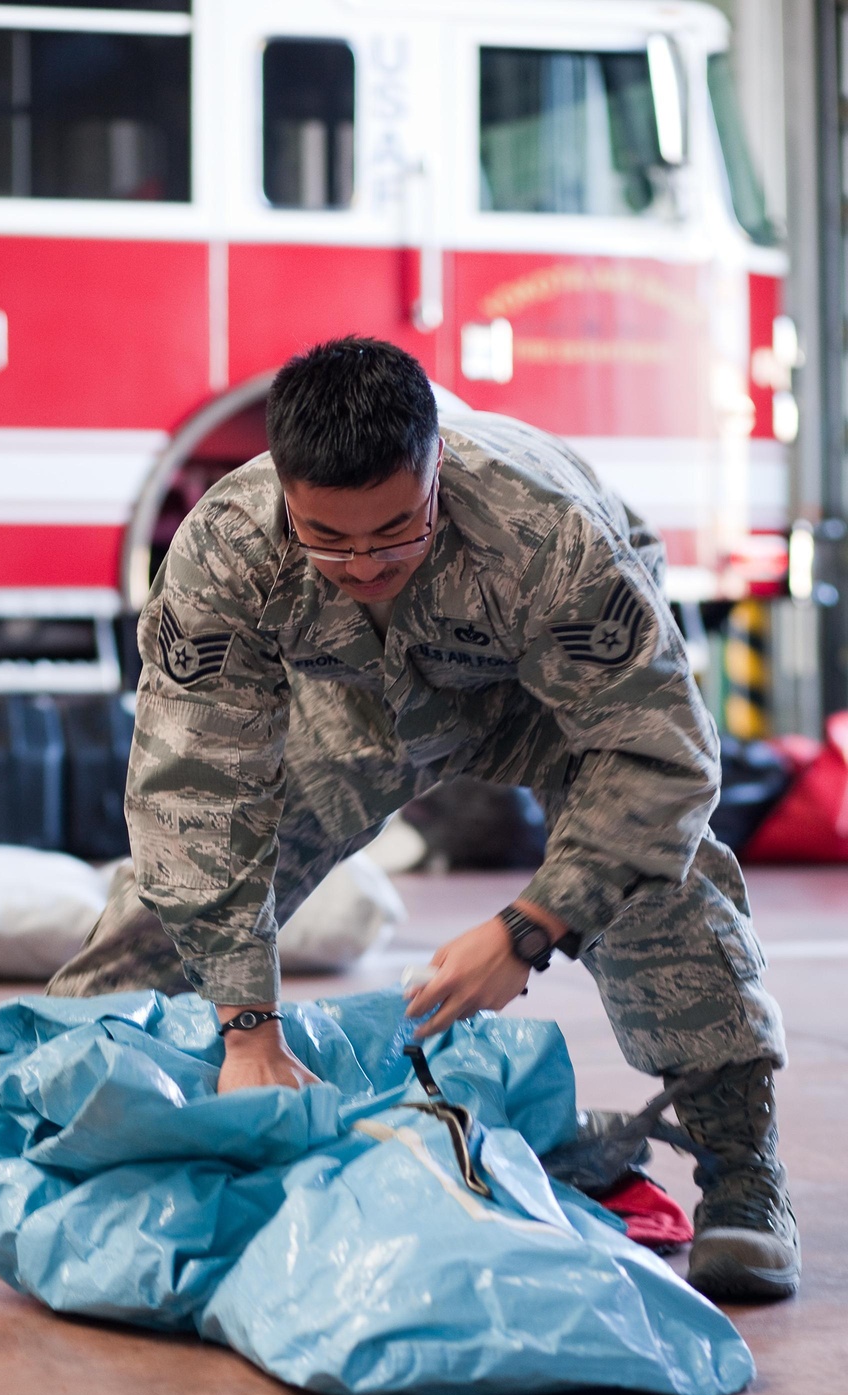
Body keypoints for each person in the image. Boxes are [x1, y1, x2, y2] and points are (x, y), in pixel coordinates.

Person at [47, 336, 798, 1304]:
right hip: (359, 698)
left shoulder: (547, 532)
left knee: (661, 873)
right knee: (180, 884)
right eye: (329, 536)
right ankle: (34, 1103)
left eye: (396, 529)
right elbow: (194, 790)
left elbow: (659, 758)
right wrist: (246, 1028)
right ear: (284, 490)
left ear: (436, 464)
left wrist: (532, 927)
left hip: (548, 698)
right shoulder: (229, 543)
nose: (363, 562)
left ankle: (743, 1177)